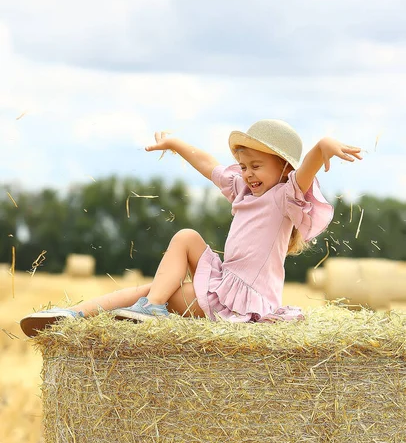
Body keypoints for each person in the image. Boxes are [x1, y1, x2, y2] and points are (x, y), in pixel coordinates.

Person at [20, 119, 362, 337]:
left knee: (157, 290)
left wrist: (322, 147)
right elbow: (208, 164)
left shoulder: (285, 197)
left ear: (285, 167)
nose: (248, 174)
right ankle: (77, 313)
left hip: (242, 305)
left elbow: (307, 170)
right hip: (225, 283)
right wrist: (175, 144)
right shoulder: (243, 189)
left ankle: (101, 313)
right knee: (181, 245)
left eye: (256, 166)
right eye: (244, 166)